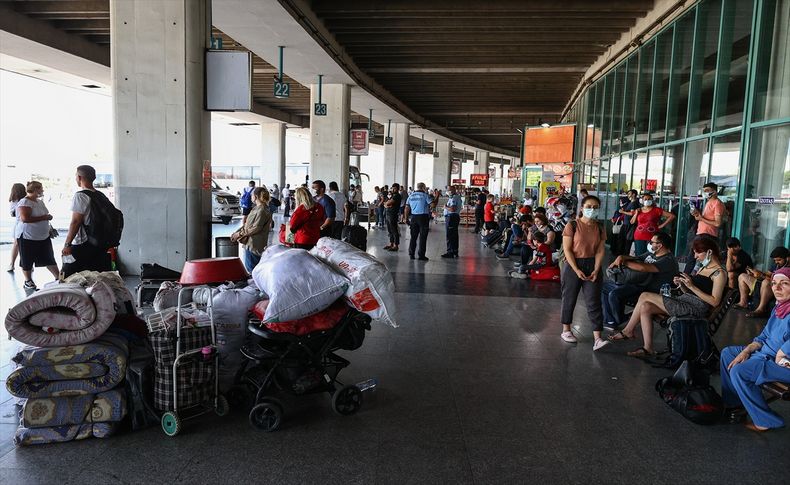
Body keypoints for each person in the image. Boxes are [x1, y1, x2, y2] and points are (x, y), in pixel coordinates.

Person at [610, 237, 727, 357]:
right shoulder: (704, 267)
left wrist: (691, 286)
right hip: (685, 301)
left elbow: (715, 302)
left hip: (696, 308)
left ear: (709, 252)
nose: (695, 256)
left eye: (698, 252)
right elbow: (691, 291)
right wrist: (683, 285)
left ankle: (628, 331)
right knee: (646, 306)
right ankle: (648, 348)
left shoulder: (719, 273)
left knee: (645, 295)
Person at [720, 268, 790, 432]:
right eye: (774, 283)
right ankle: (735, 403)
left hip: (783, 364)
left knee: (740, 371)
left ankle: (766, 421)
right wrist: (747, 350)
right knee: (728, 354)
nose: (777, 288)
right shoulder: (780, 307)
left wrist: (780, 354)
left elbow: (783, 356)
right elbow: (764, 336)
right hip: (767, 354)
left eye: (784, 283)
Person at [559, 195, 609, 351]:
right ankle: (566, 330)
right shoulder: (572, 225)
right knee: (569, 297)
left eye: (595, 207)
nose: (592, 210)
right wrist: (576, 269)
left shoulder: (600, 227)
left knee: (594, 301)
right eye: (589, 206)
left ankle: (597, 338)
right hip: (573, 264)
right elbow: (567, 250)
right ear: (582, 208)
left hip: (592, 264)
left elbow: (600, 250)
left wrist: (596, 268)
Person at [601, 231, 677, 331]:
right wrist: (622, 257)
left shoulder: (668, 260)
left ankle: (621, 319)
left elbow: (644, 268)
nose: (649, 244)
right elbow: (636, 258)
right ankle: (610, 321)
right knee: (604, 287)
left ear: (660, 245)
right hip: (638, 283)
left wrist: (624, 263)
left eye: (652, 242)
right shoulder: (651, 253)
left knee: (614, 294)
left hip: (647, 290)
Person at [62, 165, 113, 278]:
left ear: (79, 177)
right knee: (95, 277)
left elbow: (75, 221)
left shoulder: (80, 196)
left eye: (76, 176)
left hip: (82, 244)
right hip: (99, 242)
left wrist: (67, 244)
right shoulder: (100, 195)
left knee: (69, 277)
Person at [15, 181, 59, 289]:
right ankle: (28, 281)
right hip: (28, 236)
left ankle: (58, 277)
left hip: (43, 236)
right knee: (27, 259)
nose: (42, 190)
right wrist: (45, 218)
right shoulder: (25, 202)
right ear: (35, 190)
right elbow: (25, 218)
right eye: (41, 188)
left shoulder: (39, 202)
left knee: (49, 257)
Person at [736, 246, 790, 318]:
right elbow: (768, 274)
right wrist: (755, 273)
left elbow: (779, 283)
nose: (776, 262)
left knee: (766, 282)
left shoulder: (788, 268)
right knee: (742, 276)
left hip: (776, 288)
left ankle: (761, 309)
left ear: (787, 258)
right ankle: (743, 302)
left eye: (779, 260)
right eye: (775, 260)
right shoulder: (777, 265)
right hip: (764, 284)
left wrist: (762, 276)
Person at [685, 182, 725, 273]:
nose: (705, 192)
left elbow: (718, 223)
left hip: (707, 235)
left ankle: (685, 278)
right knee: (694, 258)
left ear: (715, 191)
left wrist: (701, 218)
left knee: (695, 258)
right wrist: (697, 214)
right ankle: (686, 277)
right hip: (701, 233)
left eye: (707, 190)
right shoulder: (709, 202)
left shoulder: (717, 204)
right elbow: (705, 218)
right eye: (704, 191)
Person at [231, 187, 272, 272]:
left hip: (253, 245)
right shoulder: (258, 208)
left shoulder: (261, 210)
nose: (250, 197)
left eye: (252, 195)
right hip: (251, 243)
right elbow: (248, 225)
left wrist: (239, 234)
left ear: (256, 196)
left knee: (252, 270)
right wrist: (237, 232)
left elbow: (255, 228)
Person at [404, 182, 432, 261]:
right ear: (423, 187)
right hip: (423, 217)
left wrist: (406, 218)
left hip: (414, 217)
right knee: (423, 237)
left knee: (413, 237)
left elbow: (406, 208)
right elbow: (432, 205)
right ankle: (421, 255)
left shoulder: (411, 196)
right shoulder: (425, 195)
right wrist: (436, 197)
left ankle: (411, 254)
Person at [7, 183, 26, 272]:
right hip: (25, 224)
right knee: (25, 245)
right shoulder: (26, 199)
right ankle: (26, 264)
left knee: (16, 244)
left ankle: (12, 264)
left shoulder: (13, 200)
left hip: (18, 224)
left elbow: (12, 214)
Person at [441, 185, 462, 258]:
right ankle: (454, 251)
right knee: (454, 235)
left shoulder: (454, 198)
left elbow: (453, 209)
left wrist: (445, 207)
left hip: (452, 217)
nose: (448, 191)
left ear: (453, 190)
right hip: (453, 217)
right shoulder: (453, 197)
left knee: (450, 235)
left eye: (449, 190)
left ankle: (450, 252)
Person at [618, 189, 640, 255]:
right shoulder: (631, 202)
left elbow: (632, 213)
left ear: (633, 194)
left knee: (626, 239)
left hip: (629, 224)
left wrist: (623, 212)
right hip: (626, 223)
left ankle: (625, 254)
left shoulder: (634, 203)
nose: (628, 195)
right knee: (622, 238)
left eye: (629, 193)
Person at [384, 183, 402, 251]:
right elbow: (386, 203)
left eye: (394, 188)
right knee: (389, 230)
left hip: (393, 214)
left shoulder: (397, 196)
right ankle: (391, 243)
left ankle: (396, 245)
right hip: (388, 214)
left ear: (397, 188)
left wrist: (387, 204)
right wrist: (387, 204)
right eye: (392, 188)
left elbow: (387, 203)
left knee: (394, 230)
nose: (393, 189)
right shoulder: (392, 195)